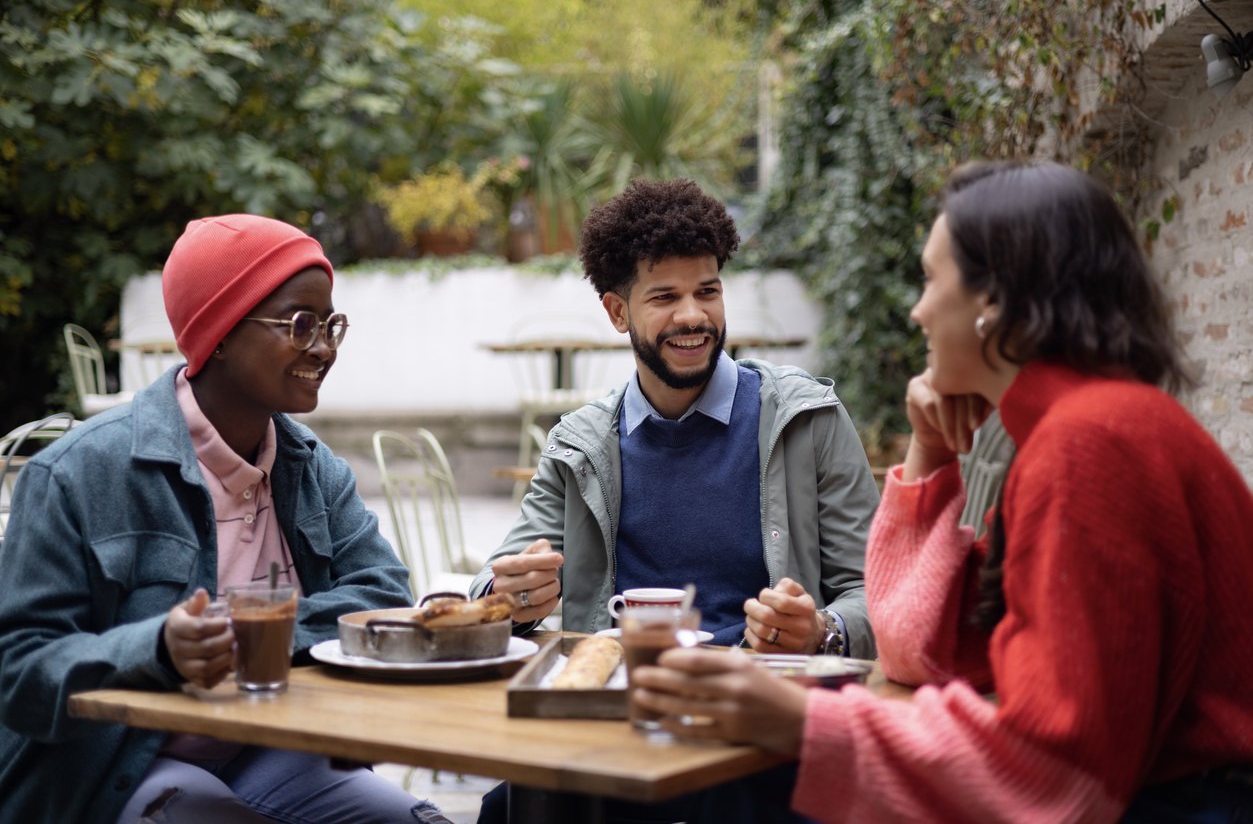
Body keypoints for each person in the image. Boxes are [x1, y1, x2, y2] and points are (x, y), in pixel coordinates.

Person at [631, 161, 1253, 822]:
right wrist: (927, 454)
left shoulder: (1089, 445)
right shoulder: (1081, 426)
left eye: (931, 280)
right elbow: (918, 655)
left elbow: (1056, 777)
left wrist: (806, 722)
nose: (916, 309)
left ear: (994, 300)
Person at [0, 215, 451, 824]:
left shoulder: (311, 467)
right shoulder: (78, 475)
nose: (323, 348)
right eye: (300, 324)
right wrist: (155, 648)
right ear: (219, 332)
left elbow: (383, 593)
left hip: (270, 748)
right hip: (114, 765)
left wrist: (253, 636)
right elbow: (20, 670)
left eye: (330, 325)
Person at [470, 177, 880, 657]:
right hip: (618, 697)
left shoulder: (807, 420)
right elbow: (497, 581)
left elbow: (879, 591)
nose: (693, 316)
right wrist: (511, 598)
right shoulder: (578, 448)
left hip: (765, 696)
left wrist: (822, 630)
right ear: (617, 312)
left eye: (707, 291)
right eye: (665, 298)